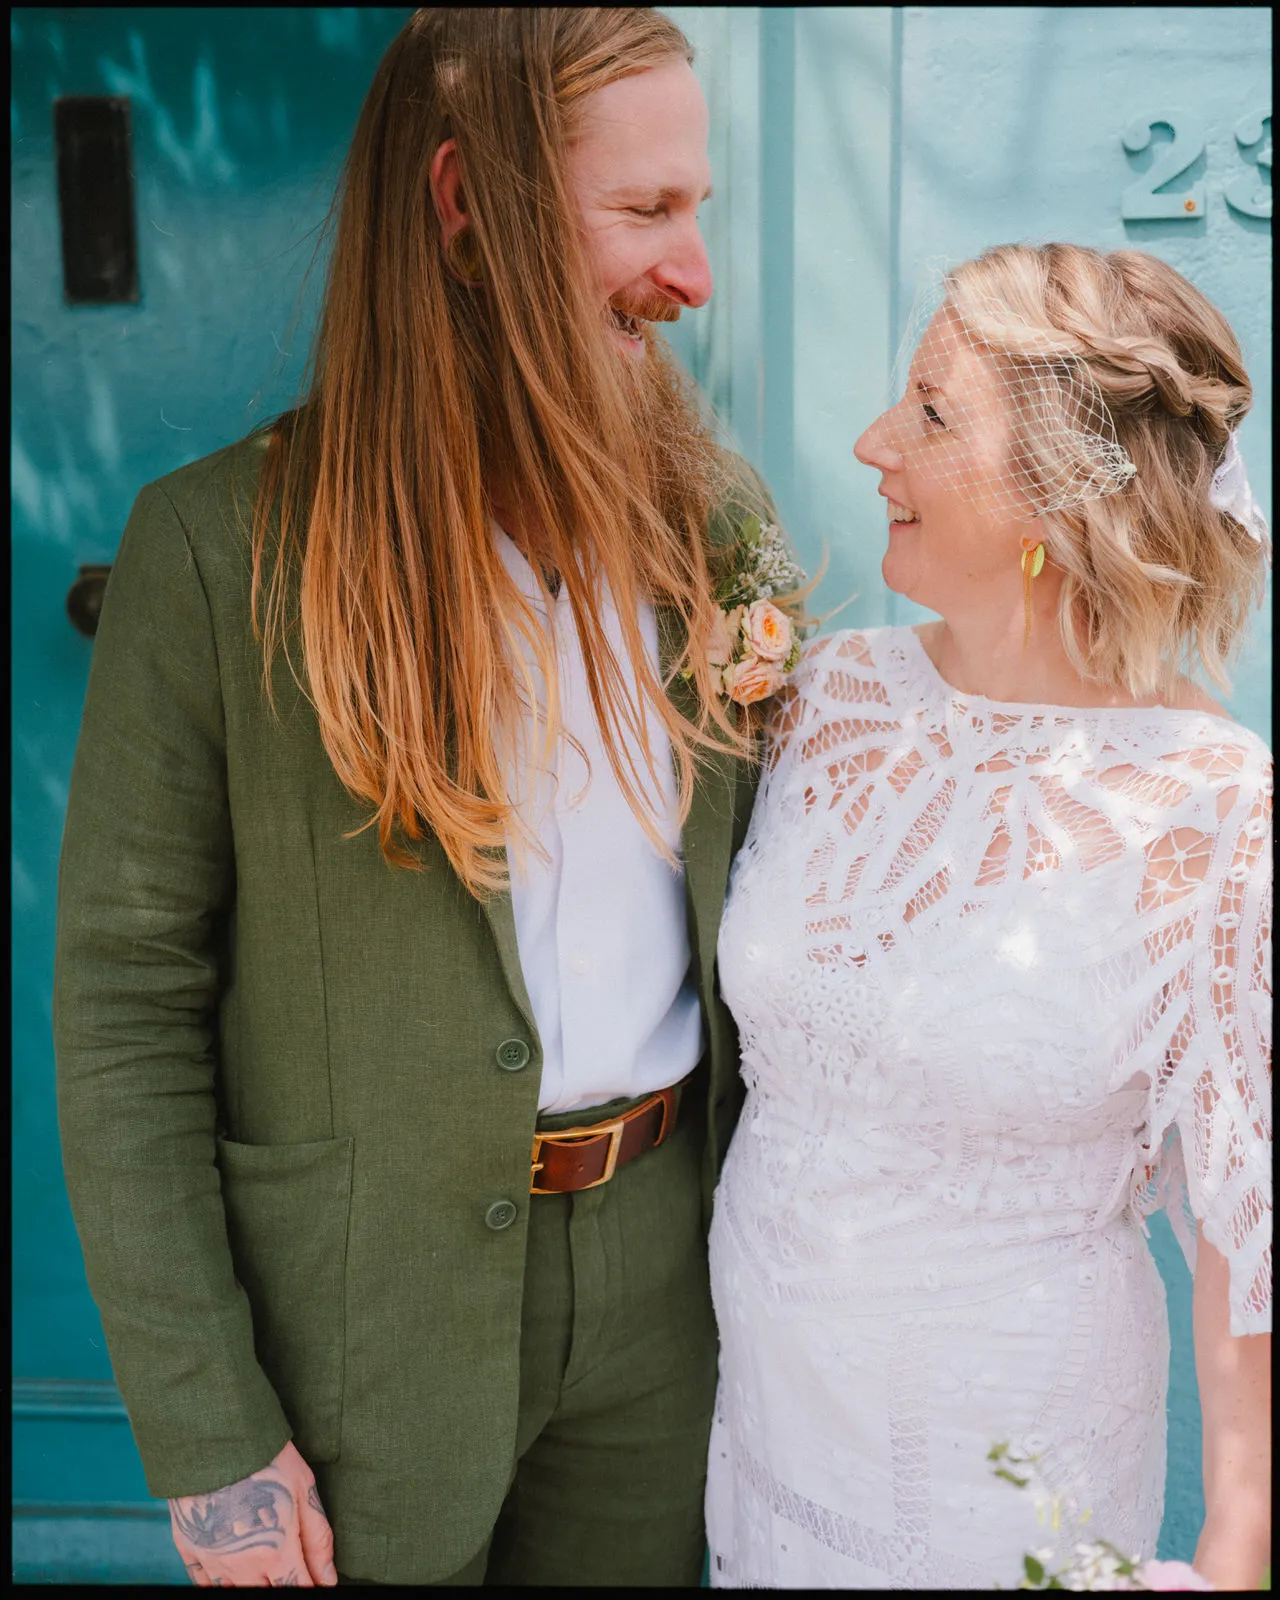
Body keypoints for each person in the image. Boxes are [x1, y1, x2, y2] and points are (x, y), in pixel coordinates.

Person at [53, 8, 801, 1587]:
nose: (695, 277)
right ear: (471, 210)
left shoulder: (715, 528)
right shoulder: (214, 551)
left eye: (699, 212)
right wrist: (208, 1438)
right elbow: (125, 1008)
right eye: (645, 213)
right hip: (355, 1334)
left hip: (676, 1303)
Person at [705, 243, 1272, 1590]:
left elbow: (1249, 1227)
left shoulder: (1216, 808)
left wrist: (1241, 1550)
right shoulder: (824, 701)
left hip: (1007, 1472)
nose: (871, 442)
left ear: (1068, 491)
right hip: (762, 1447)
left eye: (934, 413)